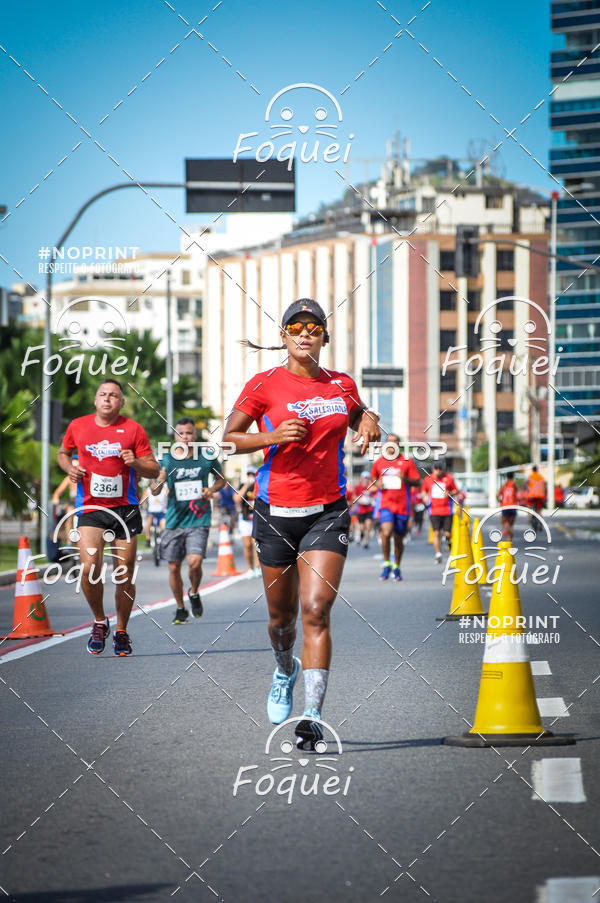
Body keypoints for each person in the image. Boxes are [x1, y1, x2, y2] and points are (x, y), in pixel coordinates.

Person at [223, 298, 380, 749]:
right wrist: (270, 435)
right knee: (281, 620)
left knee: (316, 610)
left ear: (324, 337)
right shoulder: (264, 384)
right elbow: (228, 441)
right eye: (296, 326)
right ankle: (283, 667)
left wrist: (370, 420)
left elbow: (364, 420)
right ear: (284, 336)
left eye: (314, 327)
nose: (305, 333)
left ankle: (312, 715)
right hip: (274, 513)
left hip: (327, 511)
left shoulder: (340, 384)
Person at [57, 379, 159, 656]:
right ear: (95, 399)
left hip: (125, 509)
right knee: (89, 567)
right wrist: (70, 469)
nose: (107, 399)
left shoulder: (134, 429)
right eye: (103, 394)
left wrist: (135, 463)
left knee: (123, 571)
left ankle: (122, 630)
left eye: (114, 395)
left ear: (121, 402)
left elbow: (153, 469)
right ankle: (100, 622)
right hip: (91, 509)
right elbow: (63, 453)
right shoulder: (78, 426)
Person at [151, 418, 225, 624]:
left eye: (189, 433)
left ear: (195, 436)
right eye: (181, 433)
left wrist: (211, 489)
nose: (185, 437)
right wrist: (158, 480)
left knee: (195, 562)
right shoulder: (166, 459)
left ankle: (193, 591)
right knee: (174, 567)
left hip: (199, 518)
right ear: (175, 436)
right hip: (174, 519)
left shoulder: (207, 456)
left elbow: (221, 479)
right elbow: (155, 489)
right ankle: (180, 607)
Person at [370, 435, 420, 581]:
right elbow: (374, 477)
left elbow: (417, 482)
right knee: (386, 532)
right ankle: (386, 564)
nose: (392, 444)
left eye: (395, 442)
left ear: (399, 444)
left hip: (402, 506)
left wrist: (405, 478)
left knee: (399, 538)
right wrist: (377, 483)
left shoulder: (407, 461)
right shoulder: (379, 462)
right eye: (389, 442)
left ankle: (396, 566)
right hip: (386, 504)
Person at [422, 461, 461, 564]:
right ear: (432, 469)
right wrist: (425, 496)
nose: (438, 471)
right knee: (436, 532)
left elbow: (456, 490)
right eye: (436, 469)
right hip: (434, 510)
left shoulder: (448, 478)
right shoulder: (428, 479)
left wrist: (450, 493)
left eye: (440, 469)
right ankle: (438, 554)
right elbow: (424, 491)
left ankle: (448, 540)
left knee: (447, 533)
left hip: (447, 510)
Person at [236, 467, 260, 577]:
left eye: (253, 474)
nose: (251, 476)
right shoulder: (242, 486)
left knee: (256, 544)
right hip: (245, 519)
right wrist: (246, 486)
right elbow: (236, 499)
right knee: (247, 545)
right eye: (249, 474)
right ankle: (251, 568)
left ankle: (259, 567)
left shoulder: (259, 485)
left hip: (257, 518)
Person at [352, 471, 376, 547]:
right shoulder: (358, 487)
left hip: (369, 509)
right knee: (362, 527)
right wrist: (359, 500)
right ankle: (361, 534)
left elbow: (376, 495)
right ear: (362, 479)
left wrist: (371, 500)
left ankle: (366, 541)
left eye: (367, 478)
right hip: (361, 509)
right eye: (364, 478)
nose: (366, 480)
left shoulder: (372, 487)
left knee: (368, 526)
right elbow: (354, 496)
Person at [497, 473, 518, 541]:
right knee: (511, 525)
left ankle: (505, 527)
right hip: (513, 506)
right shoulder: (515, 485)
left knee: (503, 521)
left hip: (505, 506)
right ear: (513, 477)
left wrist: (500, 501)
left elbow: (497, 495)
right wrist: (518, 500)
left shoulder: (504, 485)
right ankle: (509, 541)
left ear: (507, 477)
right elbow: (522, 495)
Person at [527, 465, 546, 533]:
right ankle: (541, 522)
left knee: (529, 507)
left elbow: (525, 483)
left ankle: (529, 518)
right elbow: (544, 485)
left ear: (532, 470)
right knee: (539, 510)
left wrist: (527, 488)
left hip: (532, 495)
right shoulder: (541, 477)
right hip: (540, 495)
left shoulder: (530, 476)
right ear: (537, 470)